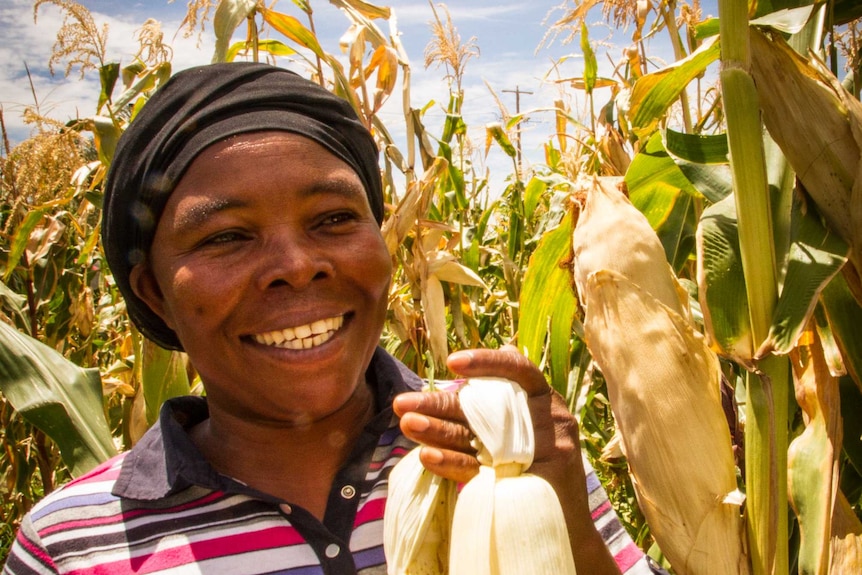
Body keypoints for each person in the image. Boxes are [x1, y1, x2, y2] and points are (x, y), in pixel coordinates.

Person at [3, 62, 656, 574]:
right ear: (151, 293)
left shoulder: (504, 450)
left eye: (334, 219)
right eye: (227, 236)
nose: (296, 264)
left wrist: (565, 520)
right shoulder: (72, 544)